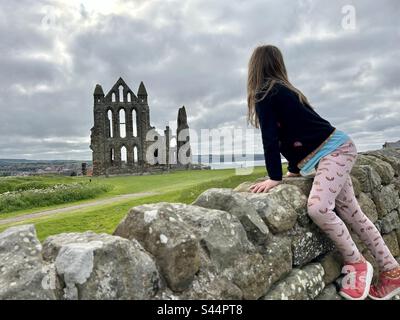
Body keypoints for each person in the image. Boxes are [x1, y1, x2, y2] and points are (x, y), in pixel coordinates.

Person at [246, 44, 400, 300]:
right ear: (277, 64)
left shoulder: (266, 93)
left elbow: (271, 139)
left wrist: (275, 177)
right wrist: (294, 170)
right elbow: (295, 134)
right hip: (336, 149)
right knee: (353, 214)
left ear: (255, 68)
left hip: (334, 152)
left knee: (318, 208)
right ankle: (392, 272)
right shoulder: (284, 92)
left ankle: (358, 265)